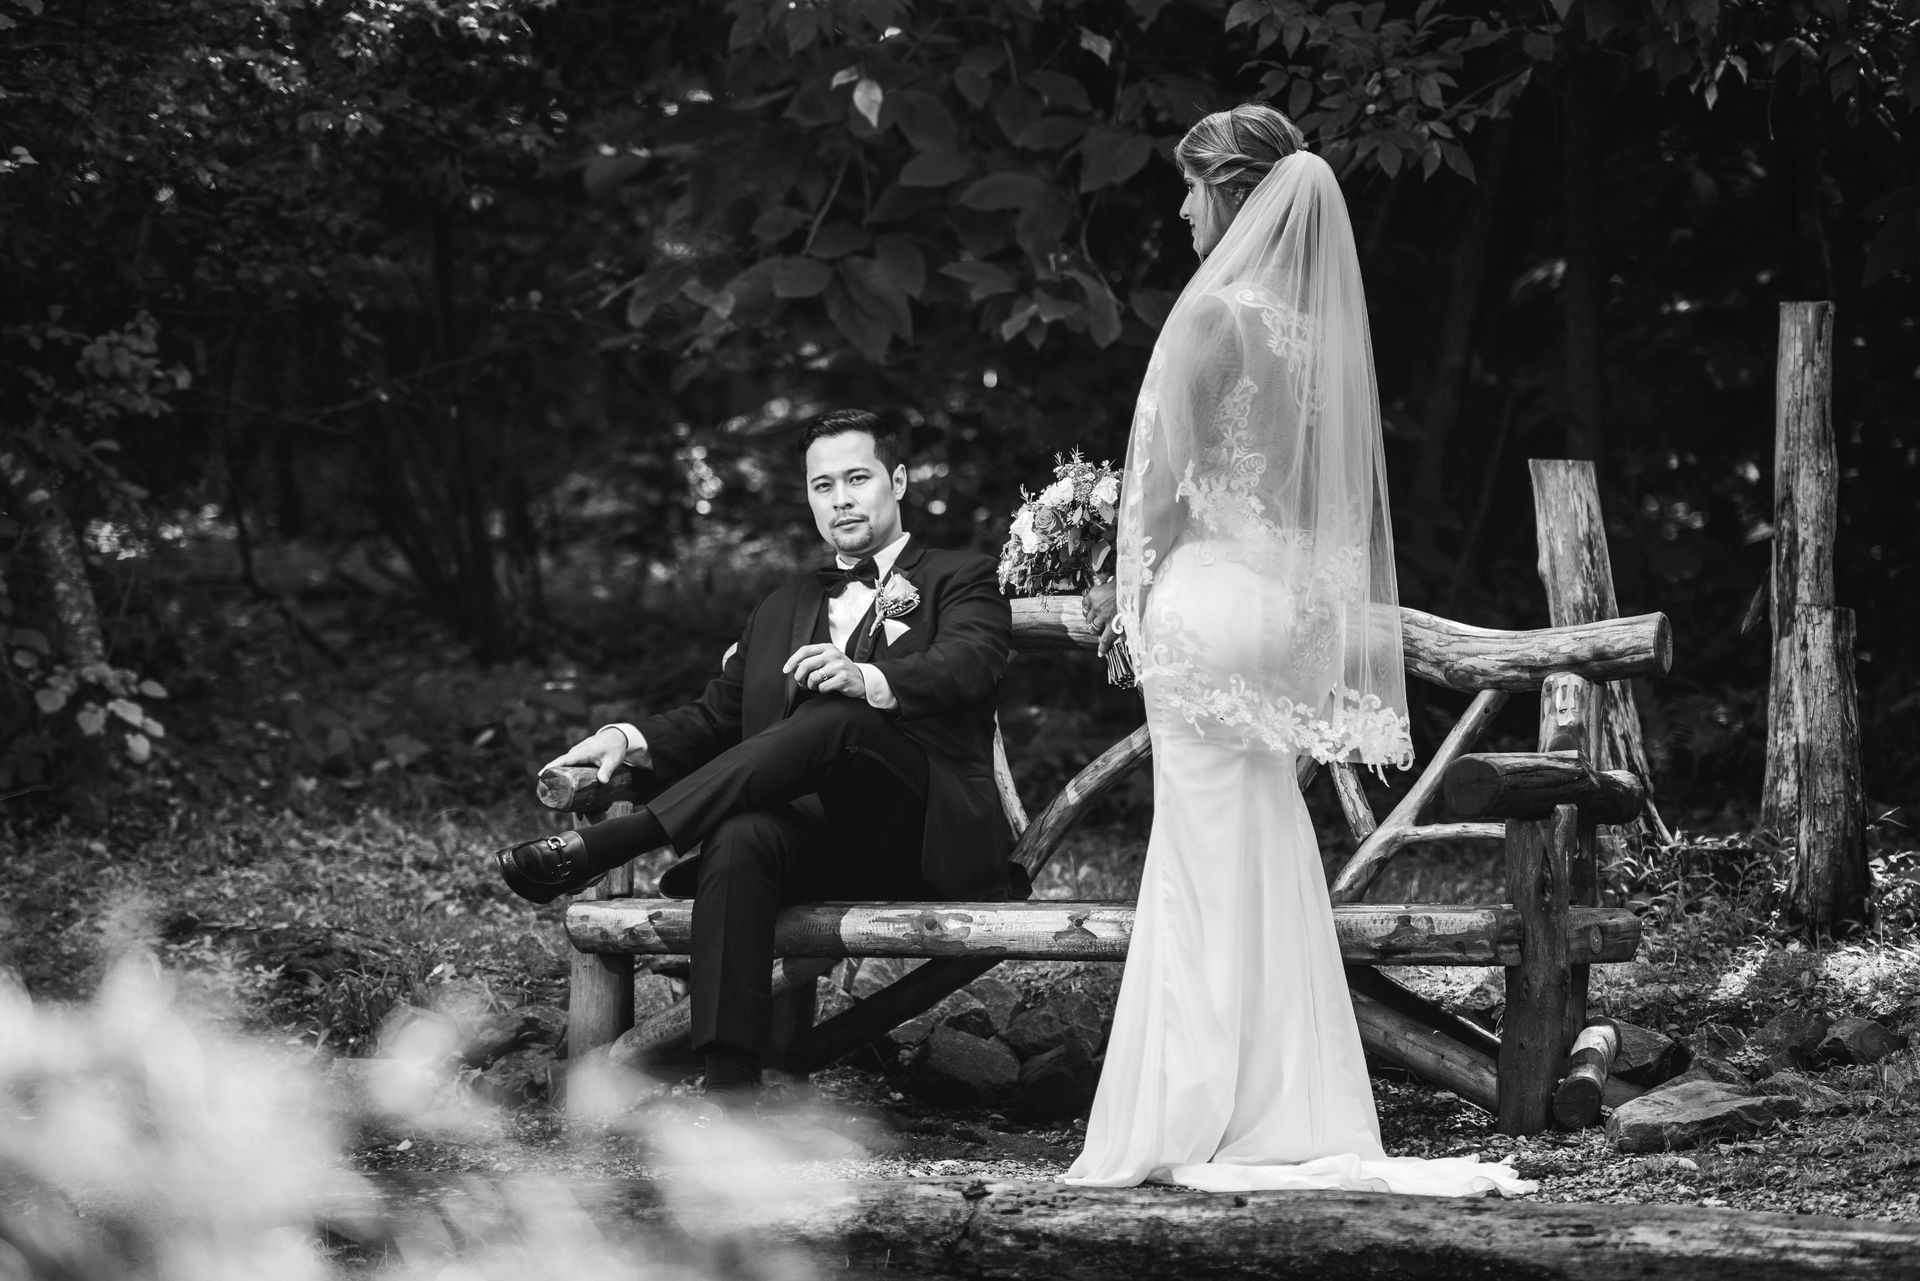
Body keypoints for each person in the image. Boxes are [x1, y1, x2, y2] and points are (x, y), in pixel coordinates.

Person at [1066, 104, 1534, 1195]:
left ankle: (1182, 1110)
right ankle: (1289, 1102)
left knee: (1193, 860)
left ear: (1232, 196)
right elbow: (1310, 505)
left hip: (1207, 605)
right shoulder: (1312, 334)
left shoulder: (1212, 317)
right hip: (1279, 612)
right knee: (1268, 845)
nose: (1182, 209)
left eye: (1192, 189)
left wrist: (1118, 591)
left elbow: (1163, 486)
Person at [492, 410, 1023, 1116]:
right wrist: (624, 738)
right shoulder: (781, 606)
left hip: (923, 837)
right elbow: (716, 719)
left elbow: (969, 663)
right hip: (817, 845)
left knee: (839, 714)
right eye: (823, 484)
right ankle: (730, 1092)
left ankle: (611, 843)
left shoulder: (962, 576)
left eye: (858, 478)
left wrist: (866, 678)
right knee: (740, 839)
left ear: (897, 481)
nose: (841, 499)